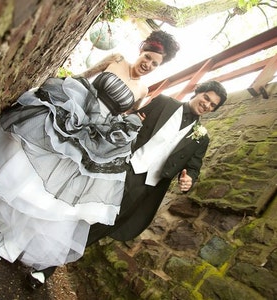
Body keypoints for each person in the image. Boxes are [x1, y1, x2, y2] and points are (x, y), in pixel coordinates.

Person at [0, 30, 179, 288]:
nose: (148, 65)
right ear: (142, 51)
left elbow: (120, 118)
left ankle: (10, 233)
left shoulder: (143, 90)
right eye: (148, 57)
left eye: (154, 64)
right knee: (29, 164)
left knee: (53, 190)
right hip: (73, 111)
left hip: (92, 137)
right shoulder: (115, 58)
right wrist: (56, 92)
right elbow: (84, 76)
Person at [36, 80, 228, 286]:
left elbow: (194, 166)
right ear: (197, 92)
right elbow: (132, 121)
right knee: (82, 210)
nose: (207, 105)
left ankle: (47, 268)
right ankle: (36, 246)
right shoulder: (164, 103)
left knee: (102, 227)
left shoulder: (201, 138)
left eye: (212, 105)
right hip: (122, 168)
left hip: (146, 187)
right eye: (206, 98)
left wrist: (189, 177)